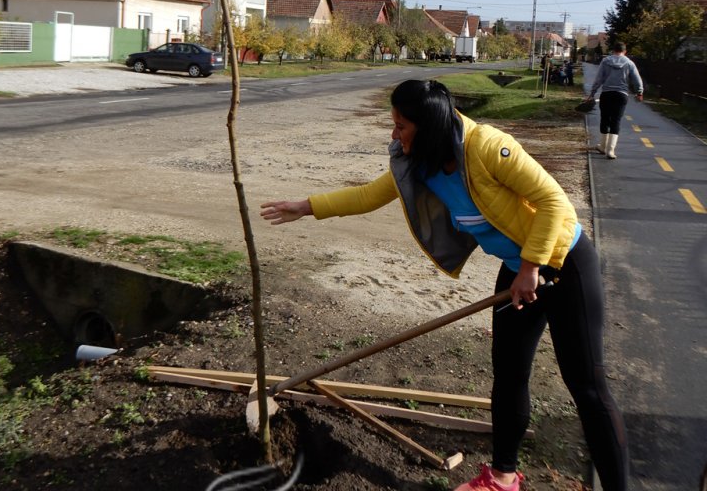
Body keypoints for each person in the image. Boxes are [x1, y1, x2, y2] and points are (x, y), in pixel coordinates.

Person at [261, 79, 628, 491]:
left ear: (428, 126)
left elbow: (554, 201)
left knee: (587, 388)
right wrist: (305, 207)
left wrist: (531, 267)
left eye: (401, 125)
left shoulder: (487, 146)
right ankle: (503, 478)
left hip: (563, 265)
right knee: (509, 375)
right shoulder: (421, 162)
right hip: (518, 269)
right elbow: (368, 196)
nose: (394, 134)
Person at [585, 42, 643, 159]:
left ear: (613, 51)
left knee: (605, 119)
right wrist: (639, 92)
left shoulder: (606, 61)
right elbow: (637, 79)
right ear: (625, 51)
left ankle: (602, 146)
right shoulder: (629, 63)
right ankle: (611, 151)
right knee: (616, 121)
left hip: (607, 94)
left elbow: (599, 78)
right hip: (621, 95)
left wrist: (592, 93)